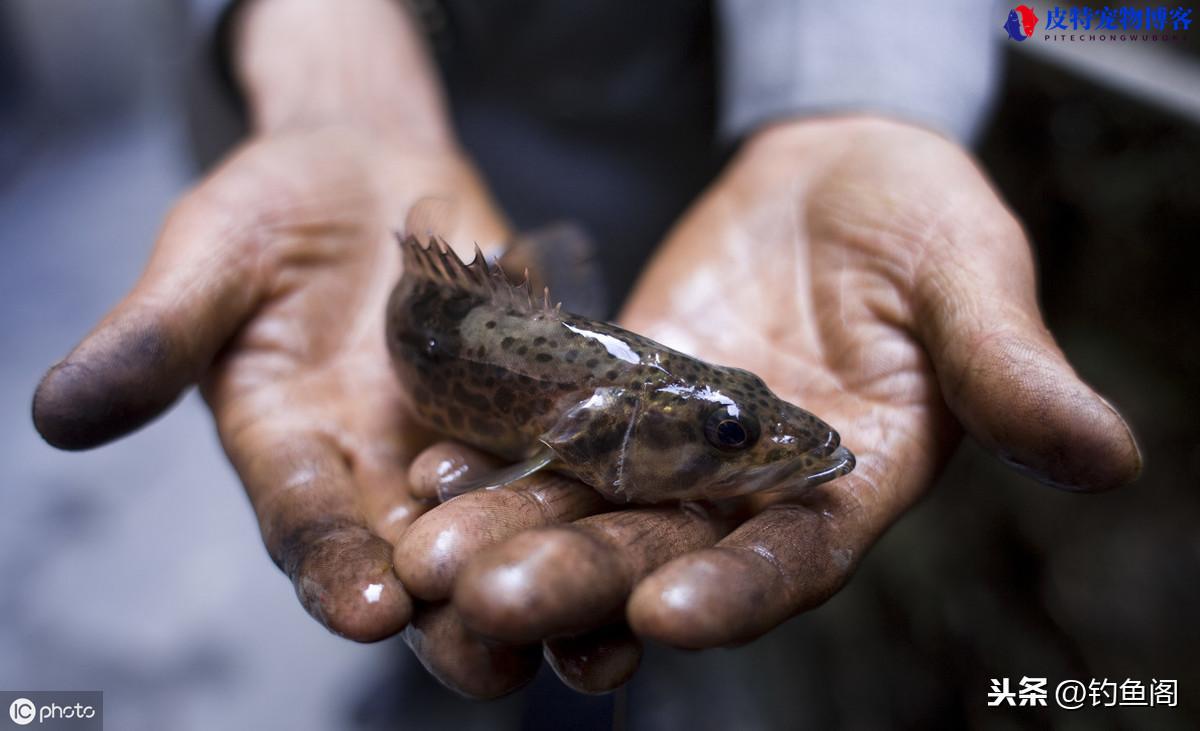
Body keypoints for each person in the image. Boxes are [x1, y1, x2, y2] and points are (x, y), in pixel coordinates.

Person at [32, 0, 1141, 708]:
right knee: (446, 598)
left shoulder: (617, 387)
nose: (751, 436)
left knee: (606, 624)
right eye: (724, 429)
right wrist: (325, 58)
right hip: (491, 172)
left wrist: (861, 95)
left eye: (734, 417)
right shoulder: (561, 417)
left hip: (670, 150)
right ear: (582, 433)